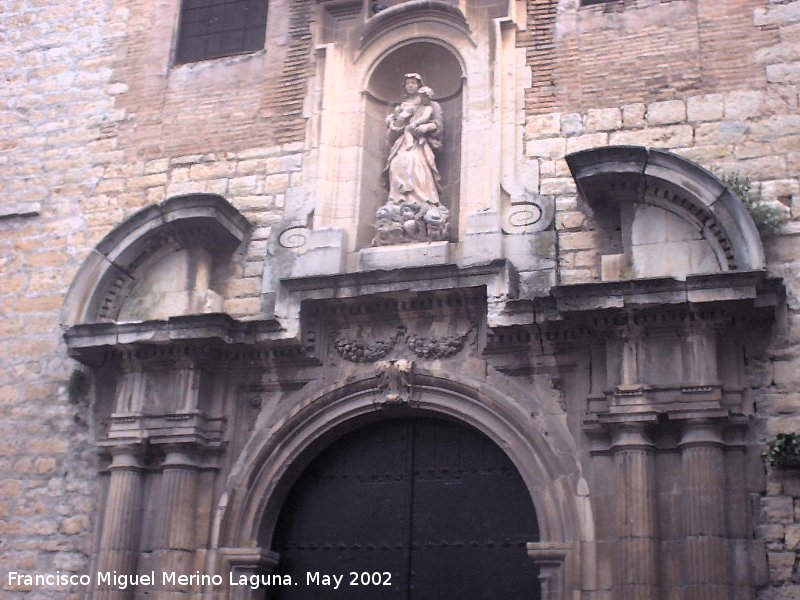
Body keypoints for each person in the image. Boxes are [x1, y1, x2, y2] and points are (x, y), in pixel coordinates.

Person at [384, 74, 444, 208]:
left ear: (419, 86)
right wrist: (401, 118)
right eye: (407, 84)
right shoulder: (400, 108)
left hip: (420, 144)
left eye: (413, 83)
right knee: (396, 164)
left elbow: (439, 124)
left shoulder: (431, 105)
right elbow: (391, 134)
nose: (410, 86)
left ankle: (425, 201)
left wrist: (427, 126)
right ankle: (398, 201)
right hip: (402, 143)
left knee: (416, 166)